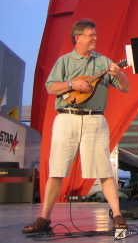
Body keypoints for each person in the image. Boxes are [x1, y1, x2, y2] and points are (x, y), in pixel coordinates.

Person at [23, 19, 130, 233]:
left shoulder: (104, 61)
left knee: (104, 168)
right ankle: (44, 218)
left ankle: (117, 215)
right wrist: (73, 84)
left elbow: (125, 88)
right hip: (67, 117)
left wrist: (118, 73)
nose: (95, 38)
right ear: (77, 37)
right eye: (91, 35)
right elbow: (51, 87)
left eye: (95, 34)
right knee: (57, 168)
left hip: (95, 119)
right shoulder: (64, 61)